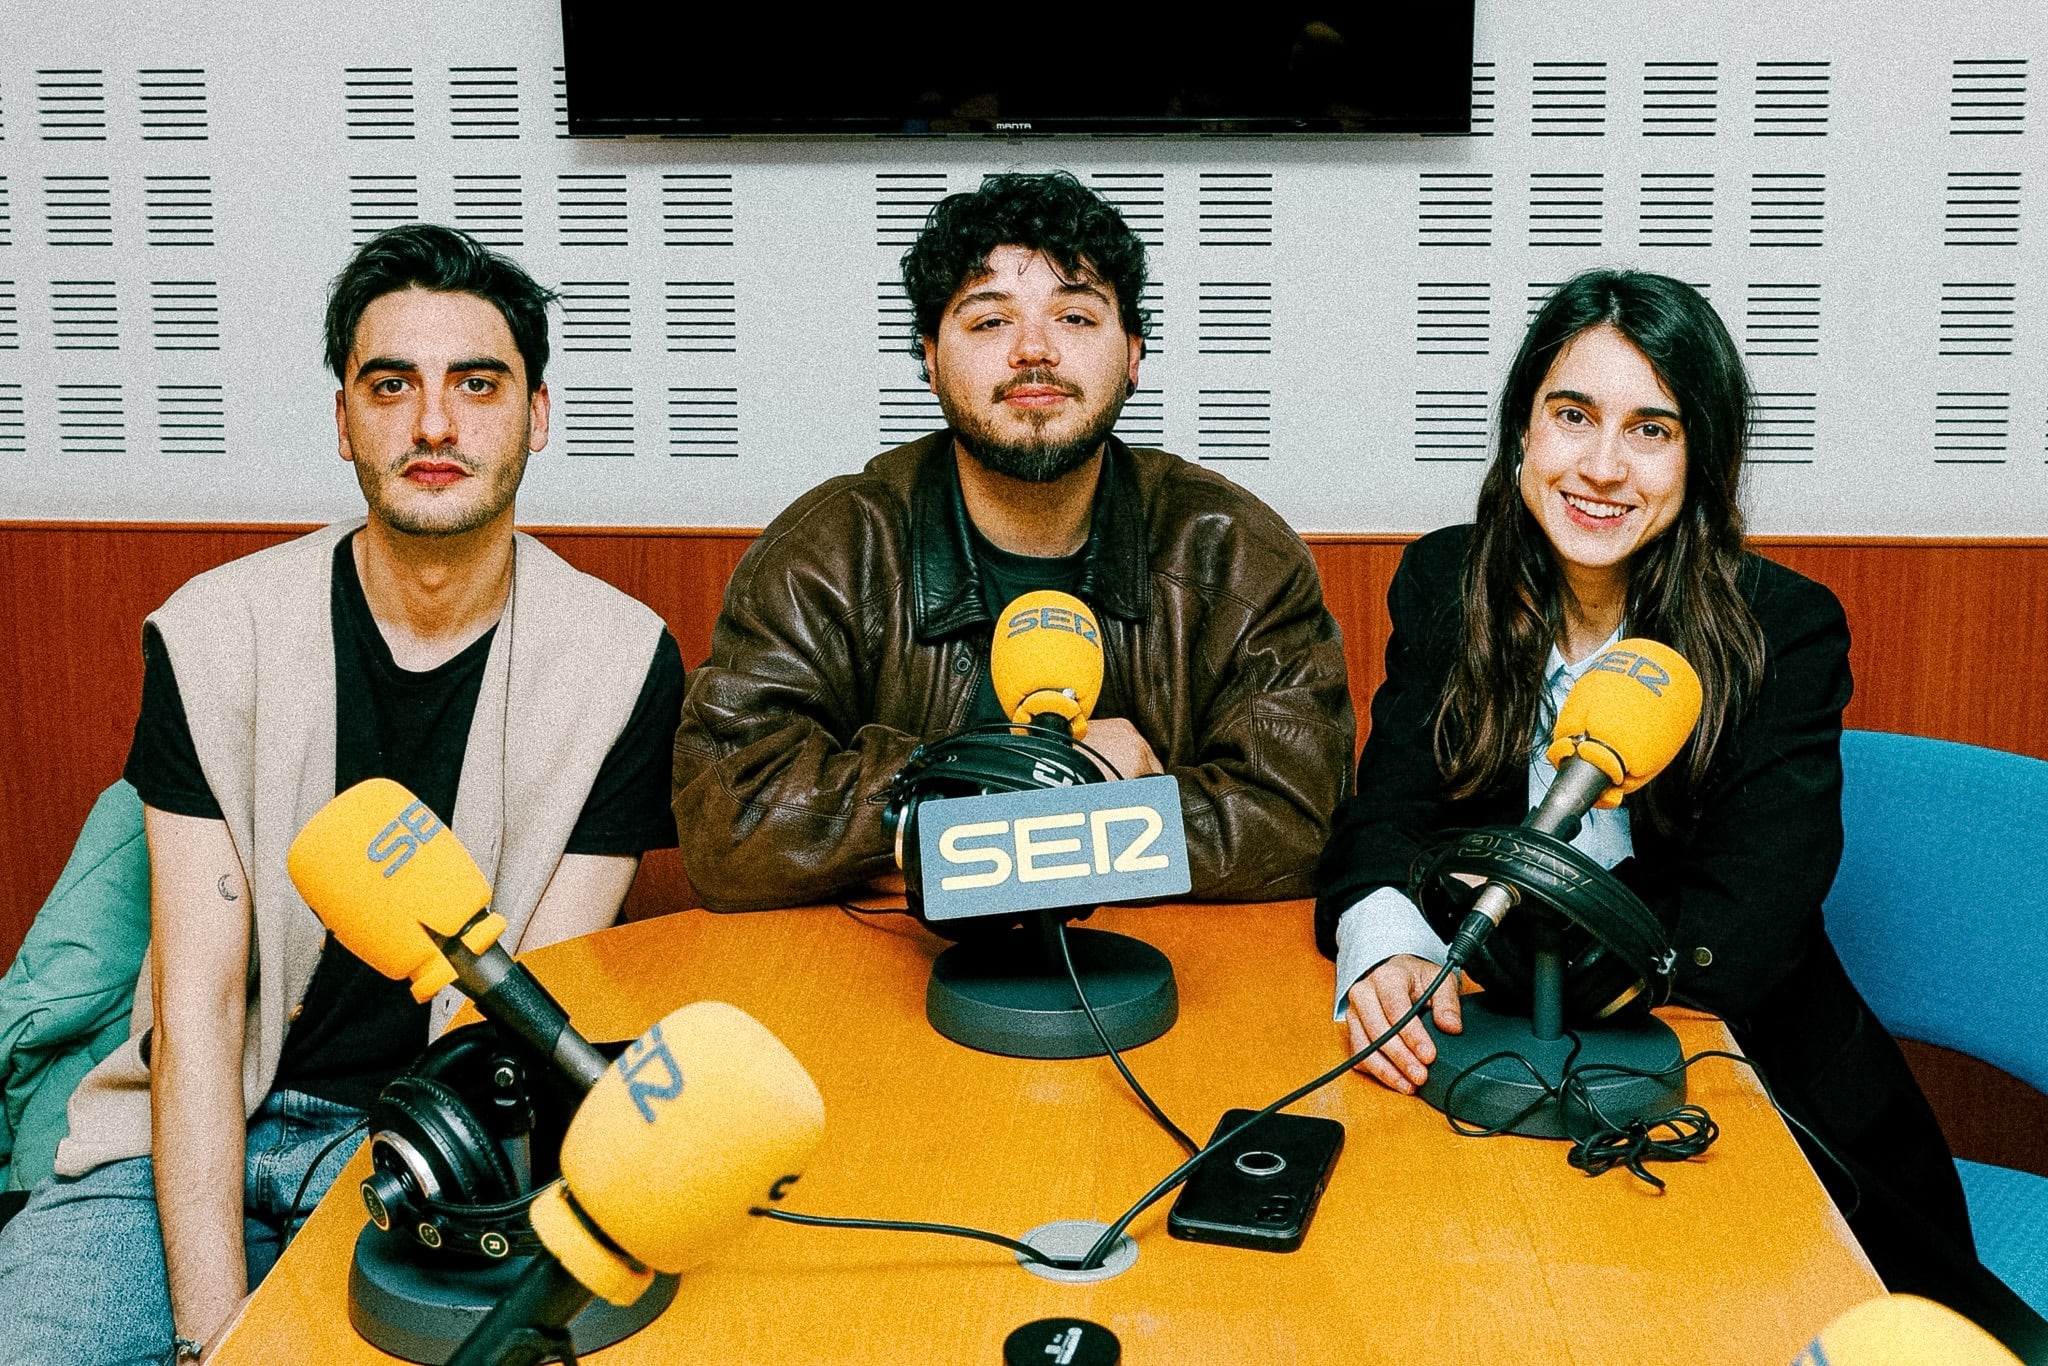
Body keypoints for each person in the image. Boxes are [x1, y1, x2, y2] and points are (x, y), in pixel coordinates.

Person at [1315, 269, 2047, 1360]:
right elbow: (1382, 820)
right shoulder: (1443, 583)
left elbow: (1733, 944)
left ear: (1698, 460)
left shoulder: (1781, 631)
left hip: (1764, 1097)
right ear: (1521, 432)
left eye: (1649, 429)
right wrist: (1380, 933)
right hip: (1506, 1077)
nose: (1601, 467)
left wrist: (1482, 925)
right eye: (1571, 416)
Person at [0, 224, 684, 1366]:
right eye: (390, 385)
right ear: (343, 421)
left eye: (478, 383)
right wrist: (212, 1334)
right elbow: (200, 1011)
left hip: (428, 1144)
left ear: (537, 415)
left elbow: (510, 1016)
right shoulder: (213, 633)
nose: (432, 423)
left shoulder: (622, 660)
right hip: (174, 1132)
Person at [673, 170, 1353, 912]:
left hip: (1161, 979)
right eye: (989, 321)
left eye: (1076, 318)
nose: (1034, 349)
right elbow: (729, 821)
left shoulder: (1235, 555)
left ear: (1133, 354)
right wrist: (1042, 778)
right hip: (879, 976)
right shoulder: (830, 553)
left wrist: (937, 846)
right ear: (930, 358)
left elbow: (1297, 825)